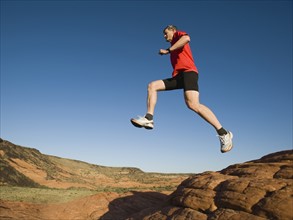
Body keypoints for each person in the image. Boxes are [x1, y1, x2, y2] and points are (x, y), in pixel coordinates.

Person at [130, 25, 233, 153]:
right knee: (152, 86)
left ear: (173, 30)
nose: (164, 36)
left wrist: (168, 50)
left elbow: (187, 38)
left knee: (193, 104)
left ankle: (223, 133)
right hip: (179, 77)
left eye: (165, 33)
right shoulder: (174, 45)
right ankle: (149, 119)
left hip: (189, 73)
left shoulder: (178, 35)